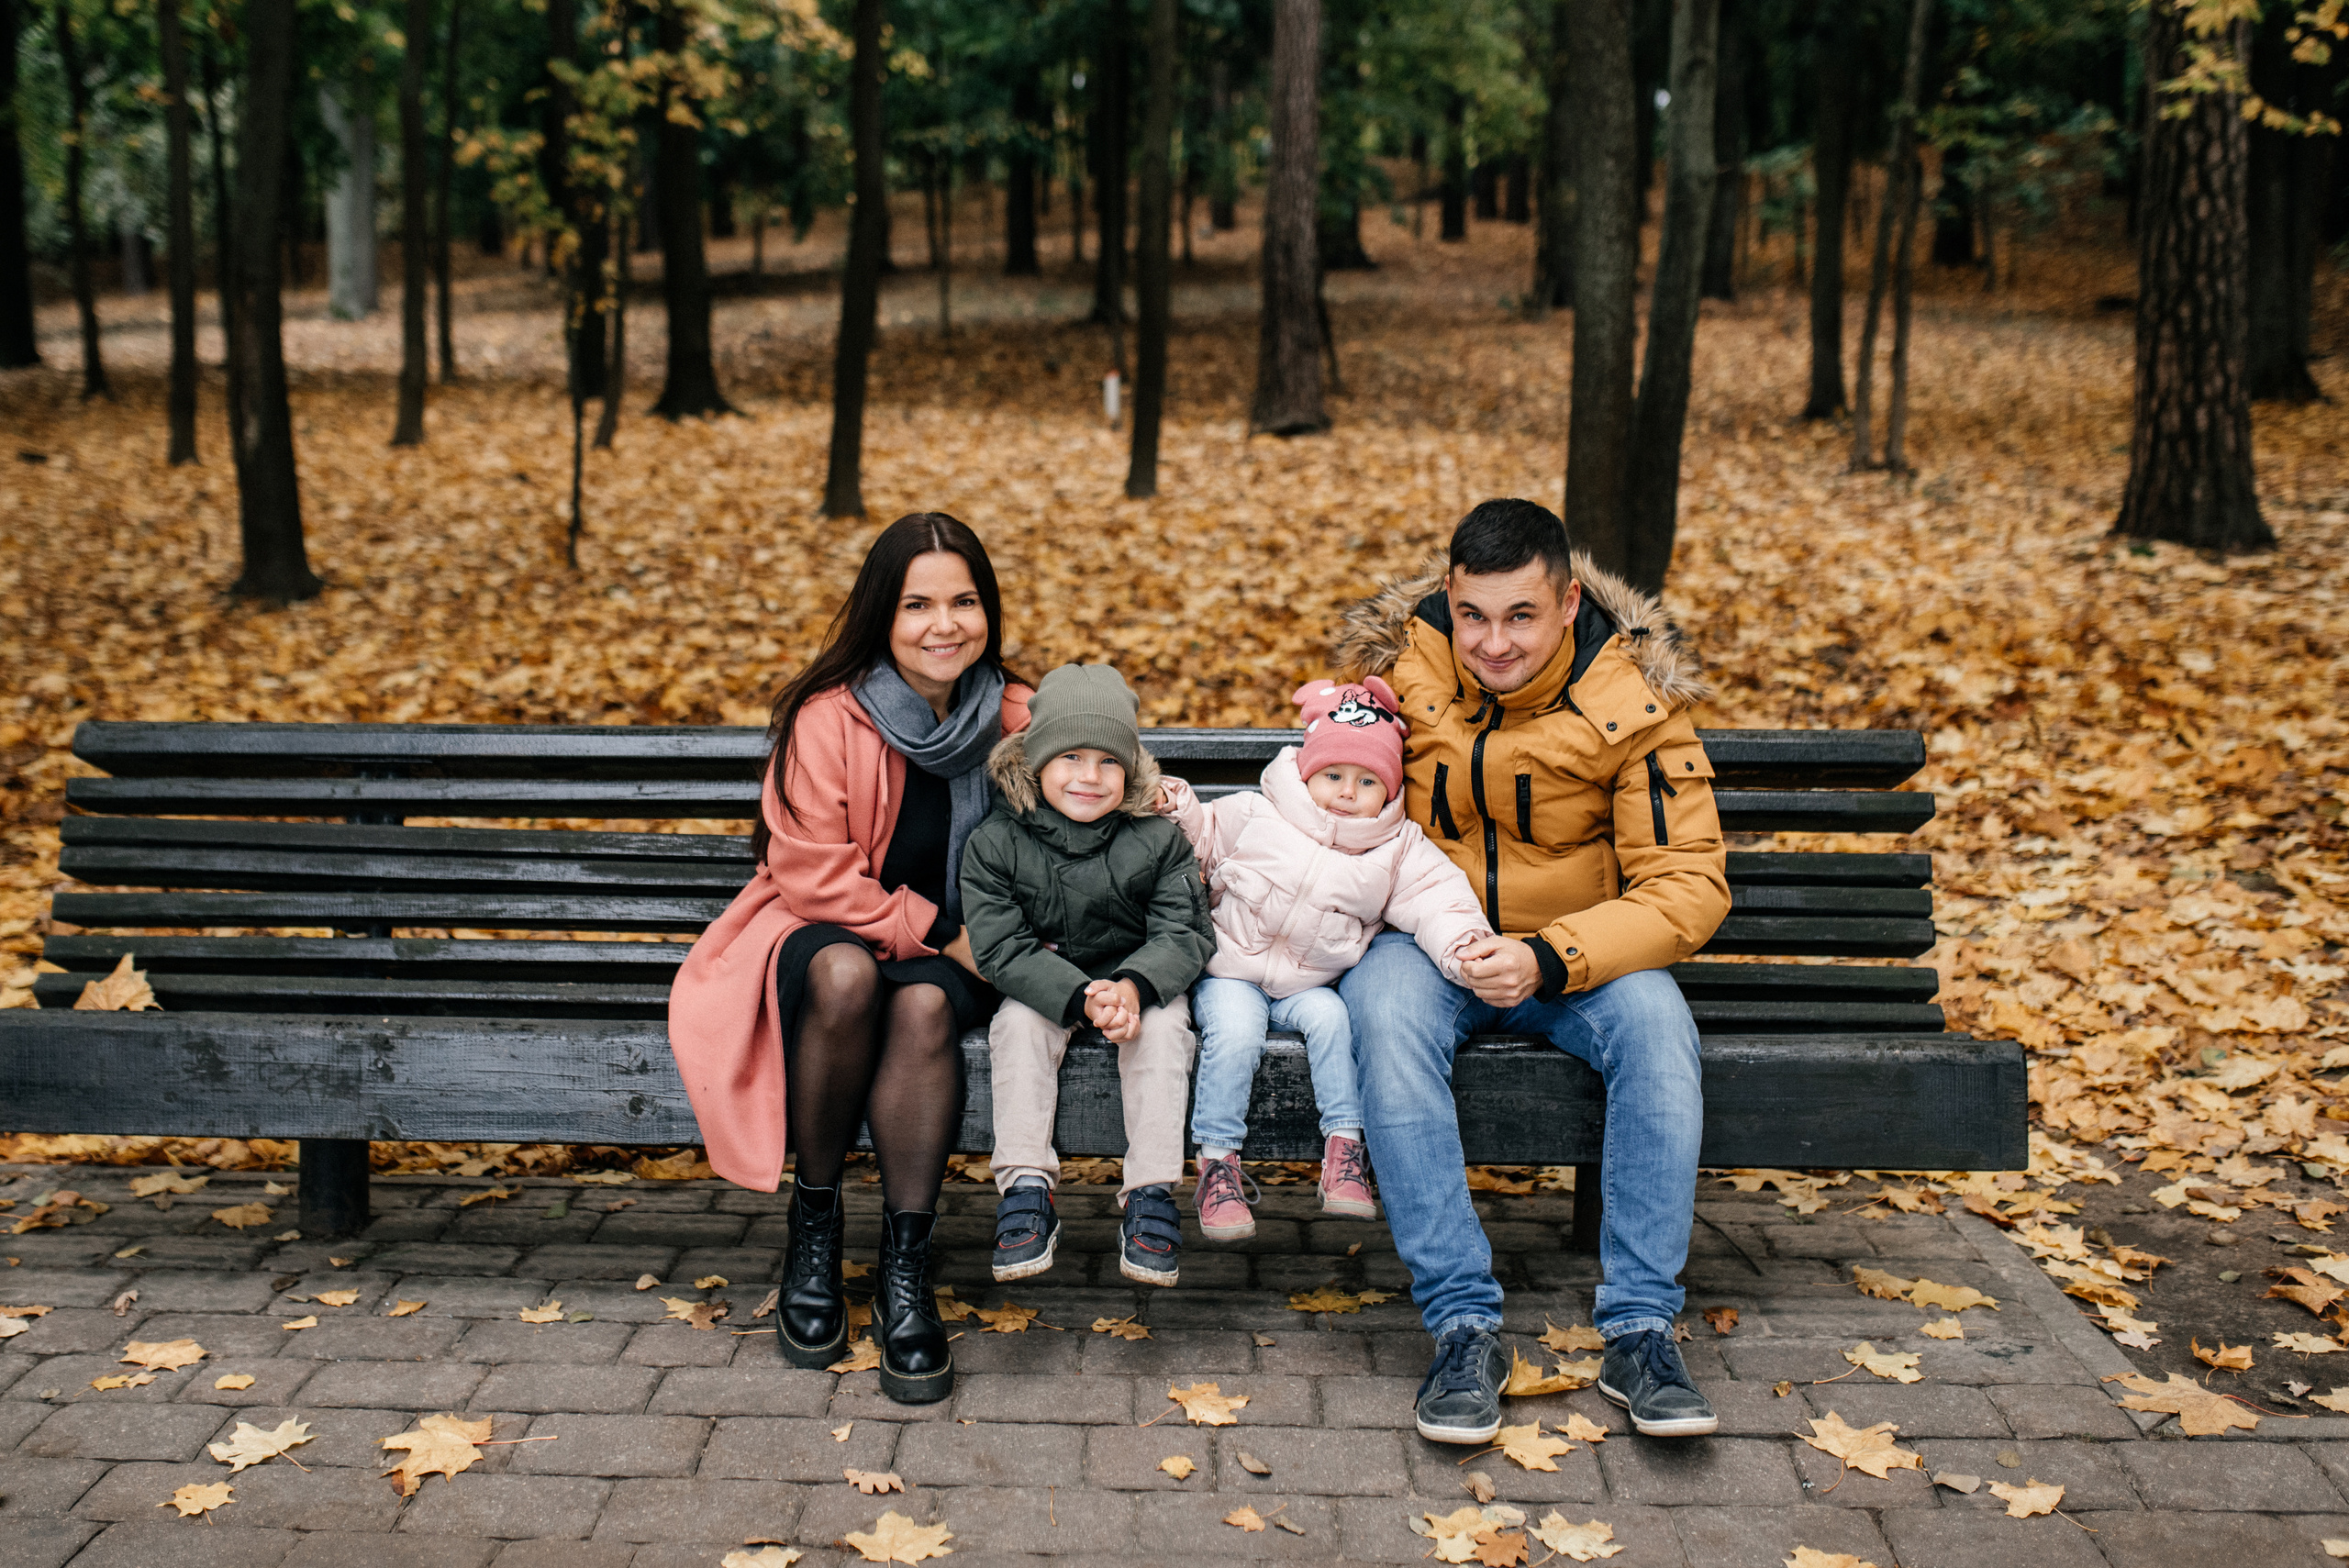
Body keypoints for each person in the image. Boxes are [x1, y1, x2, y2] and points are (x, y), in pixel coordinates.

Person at [1330, 497, 1731, 1443]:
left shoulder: (1633, 702)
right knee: (1378, 1018)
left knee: (1659, 1029)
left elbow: (1687, 885)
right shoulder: (1398, 677)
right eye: (1472, 614)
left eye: (1519, 615)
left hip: (1579, 950)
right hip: (1428, 944)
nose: (1492, 643)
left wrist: (1552, 957)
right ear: (1446, 597)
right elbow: (1327, 796)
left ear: (1566, 602)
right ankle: (1462, 1323)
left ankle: (1638, 1327)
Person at [667, 512, 1030, 1407]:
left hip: (959, 958)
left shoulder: (1020, 716)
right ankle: (816, 1223)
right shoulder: (829, 717)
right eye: (917, 604)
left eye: (962, 601)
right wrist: (937, 930)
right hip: (822, 933)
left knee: (926, 1008)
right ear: (882, 614)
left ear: (987, 610)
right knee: (848, 976)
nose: (943, 623)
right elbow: (811, 872)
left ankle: (905, 1266)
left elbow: (1076, 828)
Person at [1154, 675, 1492, 1239]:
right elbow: (1202, 836)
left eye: (1366, 781)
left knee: (1335, 1022)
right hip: (1231, 969)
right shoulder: (1257, 812)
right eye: (1332, 775)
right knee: (1235, 1031)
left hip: (1312, 984)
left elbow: (1439, 898)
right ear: (1307, 772)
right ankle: (1218, 1161)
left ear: (1388, 789)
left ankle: (1344, 1152)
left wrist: (1467, 949)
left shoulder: (1395, 849)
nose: (1345, 790)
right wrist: (1177, 806)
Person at [959, 663, 1216, 1288]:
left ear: (1129, 768)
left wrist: (1129, 987)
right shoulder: (997, 841)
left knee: (1163, 1031)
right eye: (1070, 756)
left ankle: (1152, 1191)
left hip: (1139, 985)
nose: (1088, 776)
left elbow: (1184, 931)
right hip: (1044, 983)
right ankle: (1024, 1187)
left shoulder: (1157, 837)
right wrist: (1077, 994)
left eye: (1107, 760)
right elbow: (1000, 946)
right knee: (1017, 1026)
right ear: (1036, 759)